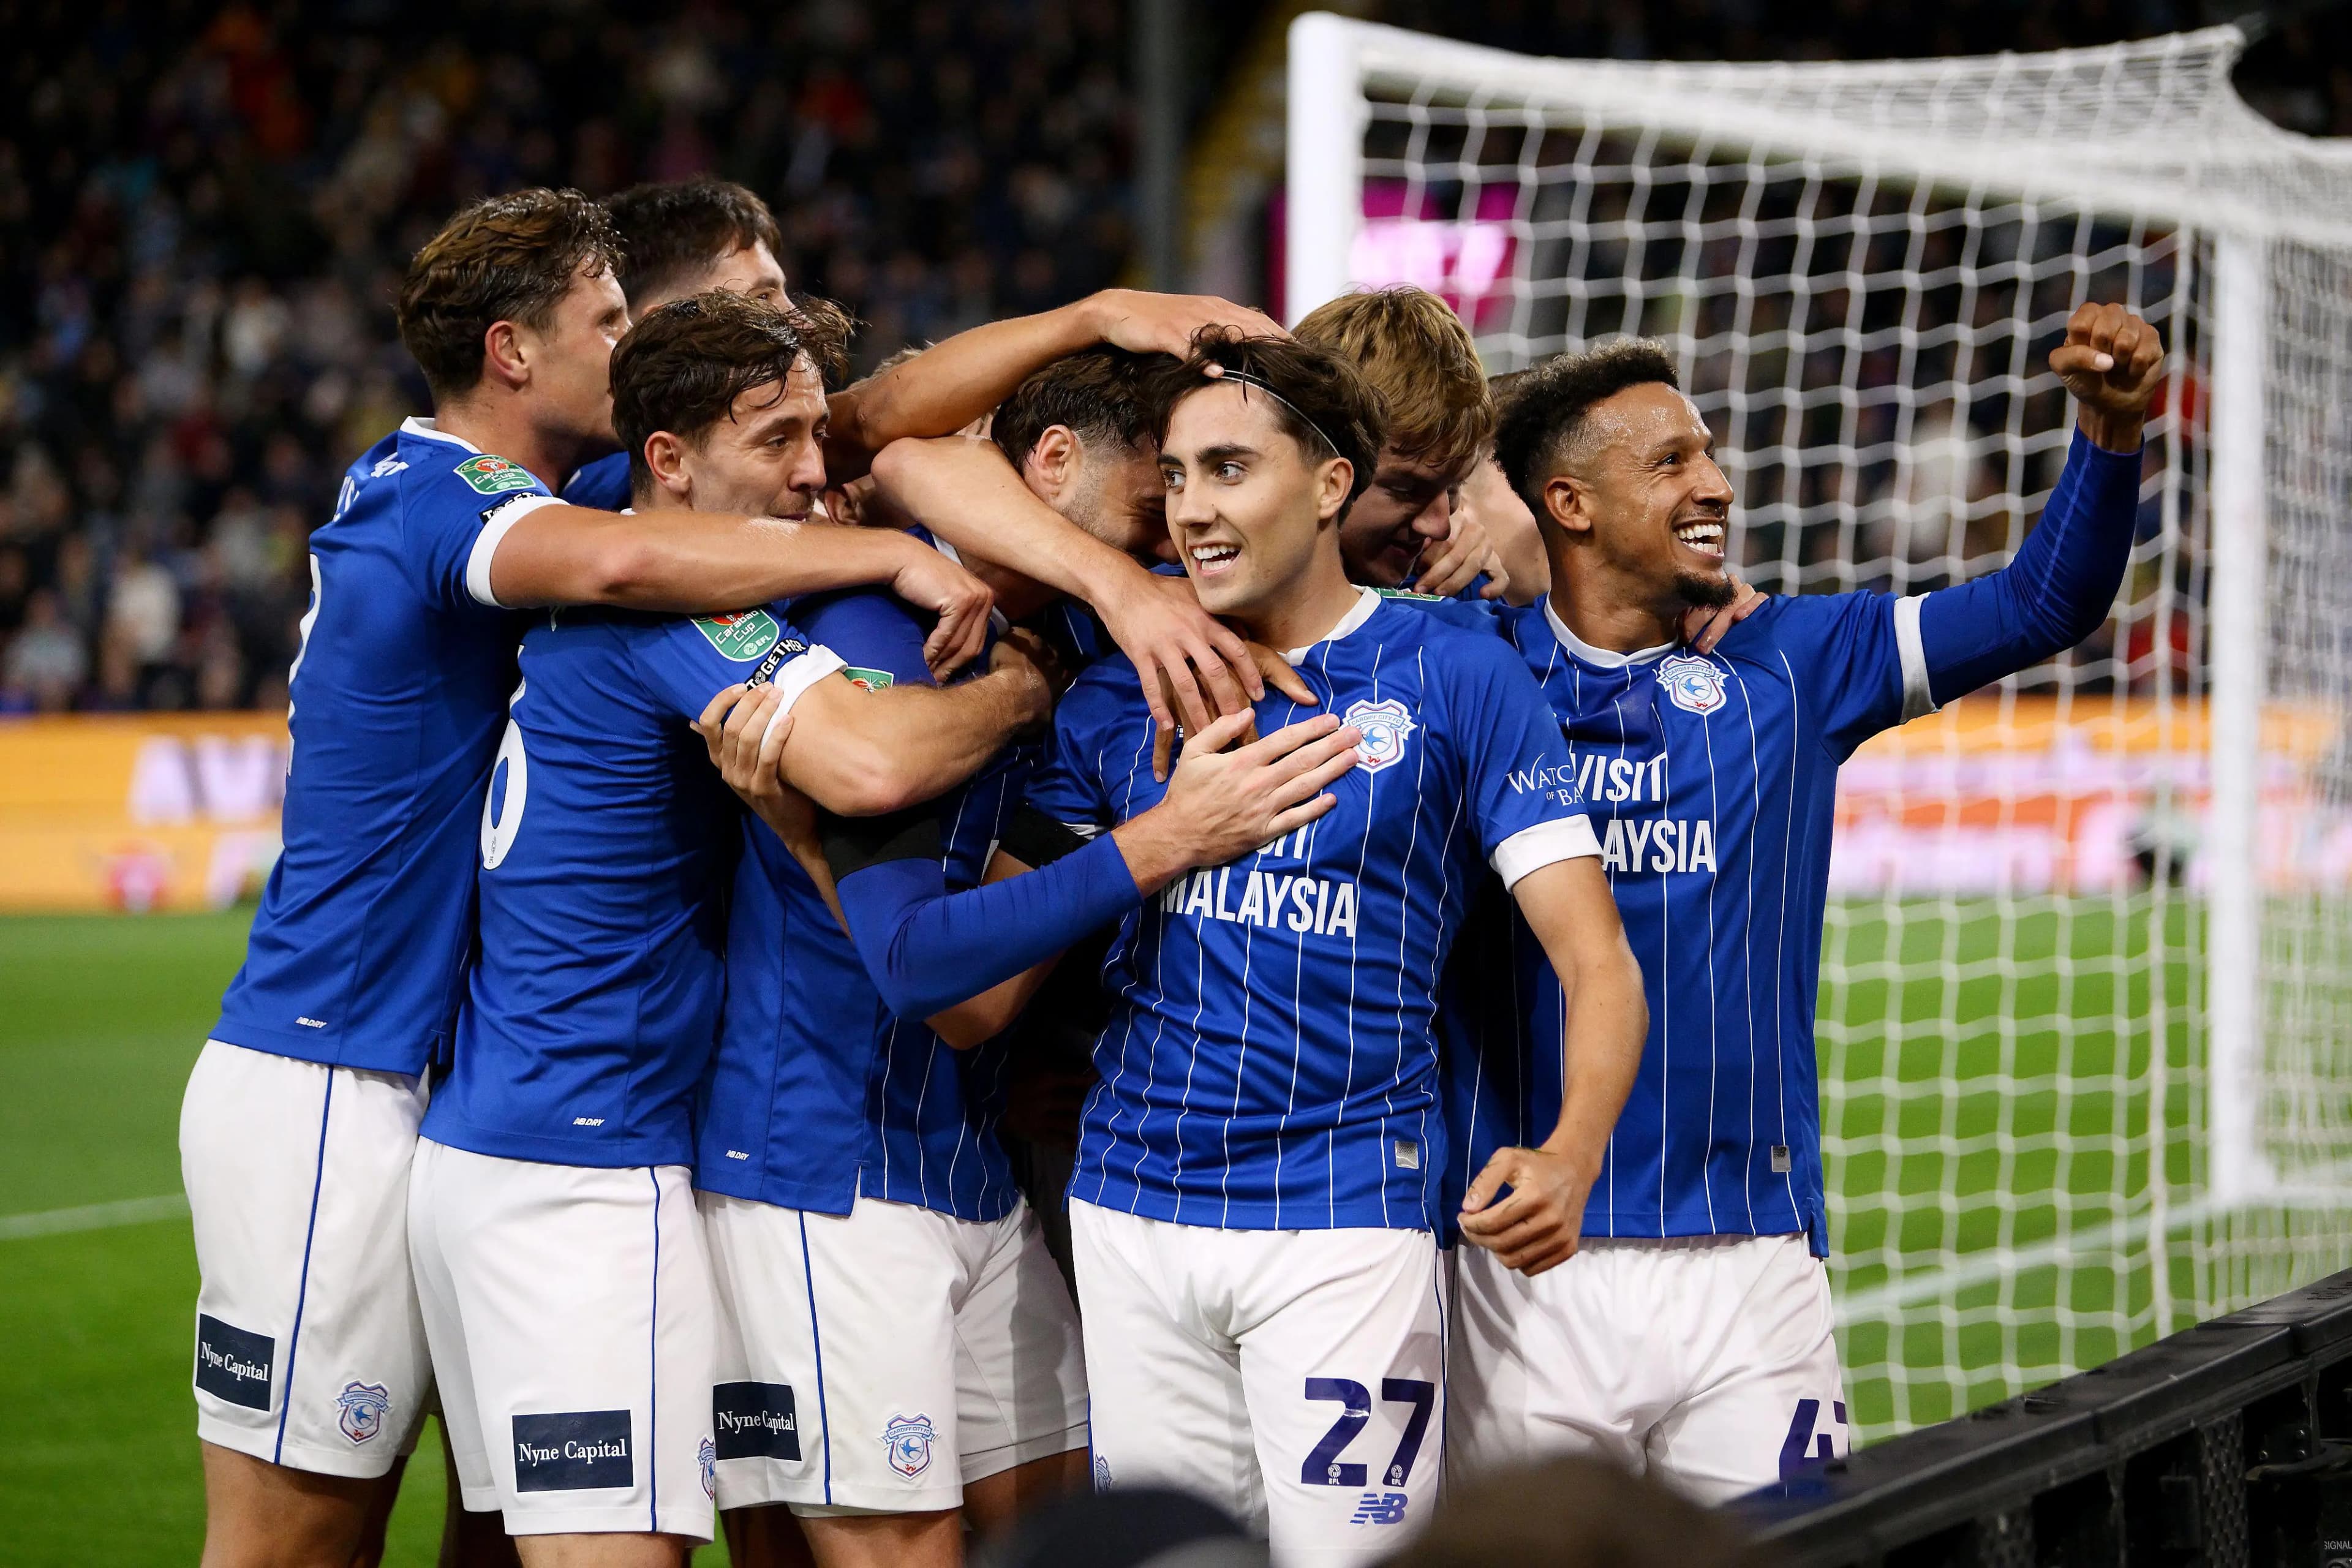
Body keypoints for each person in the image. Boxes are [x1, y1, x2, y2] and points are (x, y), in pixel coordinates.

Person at [178, 188, 997, 1568]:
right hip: (334, 1071)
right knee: (291, 1541)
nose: (635, 344)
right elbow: (623, 559)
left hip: (446, 1084)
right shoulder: (450, 496)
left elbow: (866, 415)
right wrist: (876, 551)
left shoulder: (540, 494)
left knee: (497, 1524)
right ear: (512, 351)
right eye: (611, 320)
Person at [769, 330, 1651, 1566]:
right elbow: (965, 1001)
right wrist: (1153, 837)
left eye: (1228, 469)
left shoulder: (1458, 672)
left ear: (1331, 481)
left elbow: (1595, 955)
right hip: (1131, 1213)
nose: (1191, 511)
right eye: (1176, 478)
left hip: (1342, 1215)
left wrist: (1571, 1148)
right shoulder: (1118, 695)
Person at [1442, 303, 2163, 1501]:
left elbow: (2044, 605)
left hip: (1752, 1253)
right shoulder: (1463, 666)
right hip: (1525, 1257)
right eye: (1671, 460)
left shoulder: (1793, 657)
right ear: (1566, 504)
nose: (1715, 480)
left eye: (1711, 451)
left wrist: (2110, 427)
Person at [401, 290, 1062, 1563]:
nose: (821, 473)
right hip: (582, 1160)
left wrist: (1098, 311)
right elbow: (868, 767)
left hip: (523, 1137)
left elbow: (887, 418)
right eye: (777, 442)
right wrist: (1021, 690)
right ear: (671, 459)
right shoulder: (682, 615)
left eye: (813, 437)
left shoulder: (613, 503)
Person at [567, 176, 1284, 747]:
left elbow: (895, 430)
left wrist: (1095, 315)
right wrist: (1018, 677)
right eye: (760, 297)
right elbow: (876, 785)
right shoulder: (597, 503)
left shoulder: (785, 447)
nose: (791, 316)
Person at [1291, 285, 1532, 602]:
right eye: (1406, 490)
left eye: (1452, 489)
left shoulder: (1463, 590)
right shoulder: (1214, 590)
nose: (1440, 527)